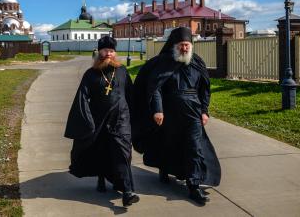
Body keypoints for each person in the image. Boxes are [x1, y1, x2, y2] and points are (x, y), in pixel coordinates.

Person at [132, 26, 221, 205]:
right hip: (170, 114)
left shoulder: (197, 63)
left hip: (193, 113)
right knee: (169, 144)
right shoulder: (164, 62)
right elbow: (155, 87)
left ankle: (193, 185)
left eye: (187, 45)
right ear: (175, 45)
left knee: (194, 147)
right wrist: (158, 109)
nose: (184, 48)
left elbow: (205, 89)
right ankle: (164, 169)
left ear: (191, 45)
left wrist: (204, 111)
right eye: (181, 45)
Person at [64, 36, 139, 207]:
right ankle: (101, 179)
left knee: (122, 152)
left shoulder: (122, 71)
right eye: (105, 50)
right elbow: (82, 98)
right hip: (99, 119)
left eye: (111, 51)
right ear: (99, 52)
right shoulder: (90, 74)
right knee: (100, 149)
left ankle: (127, 191)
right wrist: (86, 120)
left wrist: (134, 115)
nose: (108, 54)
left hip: (121, 120)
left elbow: (130, 94)